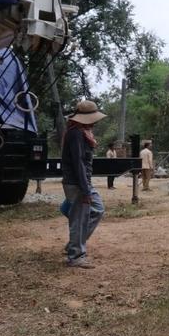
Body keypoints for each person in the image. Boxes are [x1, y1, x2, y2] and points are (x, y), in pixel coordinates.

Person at [61, 100, 107, 269]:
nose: (95, 122)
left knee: (98, 209)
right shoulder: (77, 134)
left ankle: (74, 244)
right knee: (79, 219)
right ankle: (75, 256)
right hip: (78, 183)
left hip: (82, 182)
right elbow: (78, 162)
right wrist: (85, 190)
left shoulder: (81, 131)